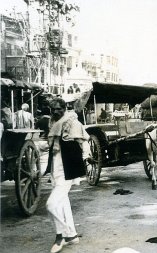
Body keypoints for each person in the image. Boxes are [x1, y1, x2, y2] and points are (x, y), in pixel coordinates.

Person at [44, 97, 91, 253]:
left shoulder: (73, 122)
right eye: (53, 109)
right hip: (55, 169)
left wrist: (84, 159)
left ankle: (61, 235)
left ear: (64, 108)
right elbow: (52, 145)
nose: (55, 112)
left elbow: (84, 142)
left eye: (58, 108)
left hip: (68, 169)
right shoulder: (52, 123)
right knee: (63, 202)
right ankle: (72, 235)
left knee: (51, 205)